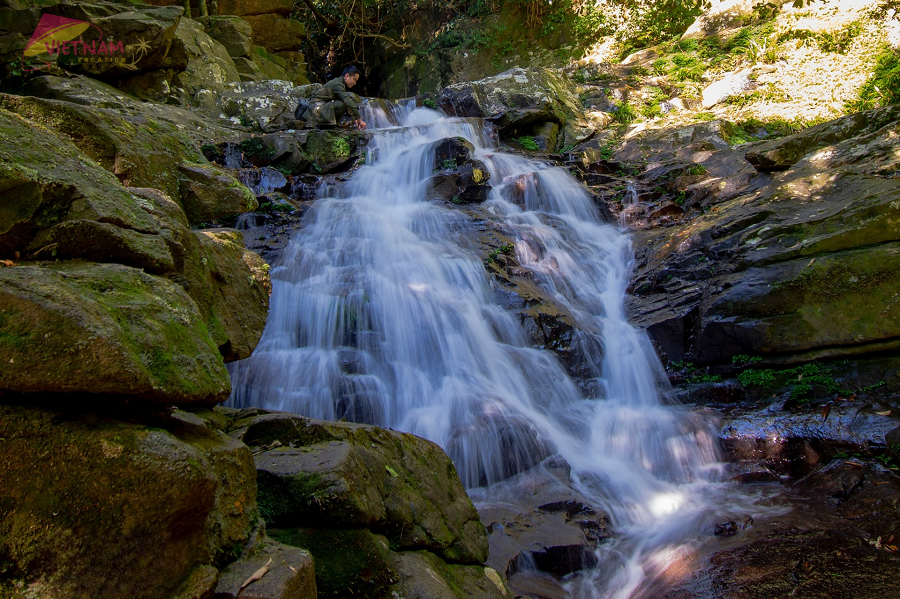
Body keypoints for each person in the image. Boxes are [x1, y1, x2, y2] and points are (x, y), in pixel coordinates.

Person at [301, 66, 367, 130]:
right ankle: (327, 125)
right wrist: (359, 119)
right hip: (315, 110)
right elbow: (347, 101)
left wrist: (354, 117)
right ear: (347, 76)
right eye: (354, 79)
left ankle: (331, 124)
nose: (355, 83)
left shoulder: (339, 83)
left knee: (347, 101)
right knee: (343, 104)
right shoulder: (338, 85)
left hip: (318, 108)